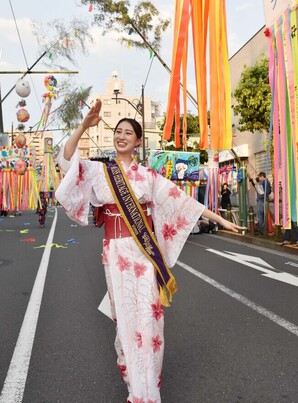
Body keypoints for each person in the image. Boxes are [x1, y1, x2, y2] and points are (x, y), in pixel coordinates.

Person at [55, 99, 245, 403]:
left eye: (128, 132)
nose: (121, 135)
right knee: (127, 321)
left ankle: (148, 390)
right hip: (115, 254)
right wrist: (83, 126)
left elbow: (183, 202)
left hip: (144, 256)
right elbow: (67, 161)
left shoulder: (148, 177)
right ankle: (136, 387)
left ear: (138, 141)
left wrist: (221, 219)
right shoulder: (98, 171)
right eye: (118, 131)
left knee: (150, 319)